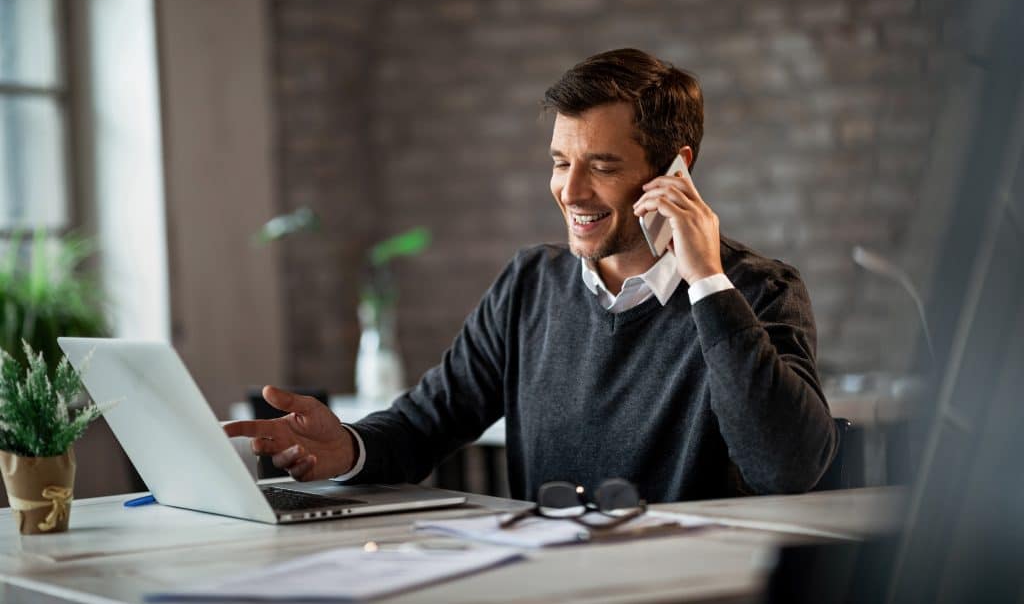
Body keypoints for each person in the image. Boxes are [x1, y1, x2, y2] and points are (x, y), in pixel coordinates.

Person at [224, 48, 838, 502]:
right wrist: (348, 448)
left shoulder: (757, 291)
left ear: (676, 169)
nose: (570, 191)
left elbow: (785, 469)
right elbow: (423, 424)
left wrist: (706, 280)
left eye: (600, 165)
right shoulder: (529, 285)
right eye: (560, 162)